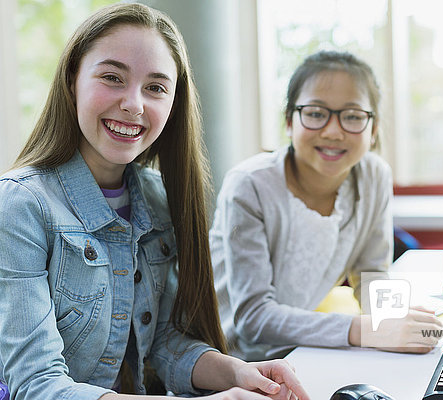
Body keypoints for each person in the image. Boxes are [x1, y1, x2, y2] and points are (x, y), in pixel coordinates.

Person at [0, 4, 309, 400]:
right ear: (72, 79)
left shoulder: (157, 198)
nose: (134, 104)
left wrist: (239, 374)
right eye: (112, 77)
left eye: (156, 88)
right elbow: (37, 385)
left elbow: (164, 342)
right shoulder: (20, 204)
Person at [209, 50, 443, 362]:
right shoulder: (249, 185)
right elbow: (252, 318)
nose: (333, 131)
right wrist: (366, 331)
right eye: (316, 114)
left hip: (303, 352)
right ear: (289, 122)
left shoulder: (374, 176)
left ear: (373, 131)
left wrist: (391, 323)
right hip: (229, 362)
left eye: (352, 116)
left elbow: (371, 270)